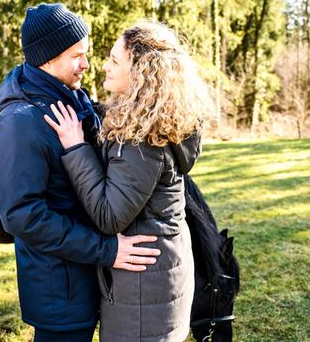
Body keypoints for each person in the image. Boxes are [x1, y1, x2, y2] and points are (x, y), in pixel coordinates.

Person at [0, 4, 161, 342]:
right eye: (76, 55)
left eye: (86, 53)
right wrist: (106, 249)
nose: (86, 64)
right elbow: (22, 216)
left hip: (86, 279)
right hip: (60, 294)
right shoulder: (21, 123)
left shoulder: (70, 100)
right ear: (48, 59)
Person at [44, 21, 209, 341]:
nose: (103, 65)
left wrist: (76, 148)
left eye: (114, 60)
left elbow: (109, 215)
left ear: (141, 73)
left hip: (144, 291)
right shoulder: (153, 119)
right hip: (158, 276)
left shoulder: (141, 139)